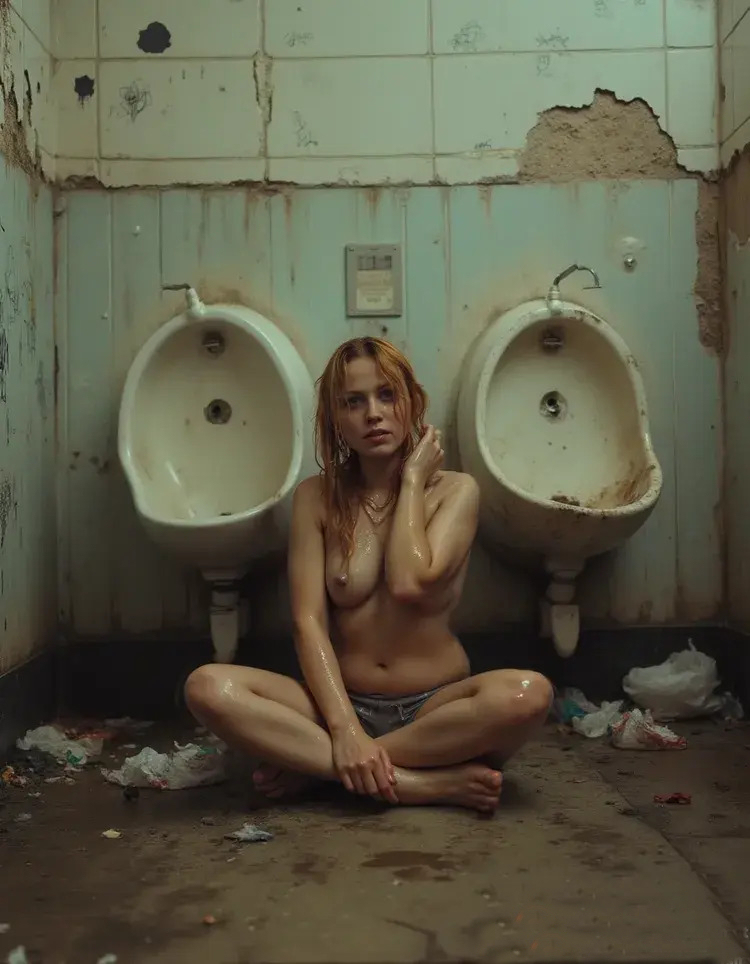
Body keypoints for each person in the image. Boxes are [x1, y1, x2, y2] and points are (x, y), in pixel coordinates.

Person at [185, 337, 552, 813]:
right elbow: (307, 622)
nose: (373, 414)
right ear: (335, 418)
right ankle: (417, 783)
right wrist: (343, 729)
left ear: (412, 401)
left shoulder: (456, 491)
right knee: (208, 687)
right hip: (339, 703)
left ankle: (319, 768)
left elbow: (409, 582)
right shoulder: (316, 498)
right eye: (353, 402)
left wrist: (412, 481)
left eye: (386, 394)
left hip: (435, 709)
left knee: (528, 696)